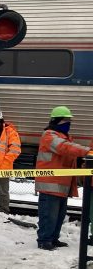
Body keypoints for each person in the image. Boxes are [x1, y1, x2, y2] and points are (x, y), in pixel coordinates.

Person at [34, 106, 91, 251]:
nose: (68, 123)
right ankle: (44, 240)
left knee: (59, 216)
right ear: (57, 120)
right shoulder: (49, 135)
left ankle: (53, 238)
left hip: (61, 184)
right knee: (49, 215)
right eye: (66, 120)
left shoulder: (62, 136)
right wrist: (87, 151)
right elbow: (65, 148)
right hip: (50, 184)